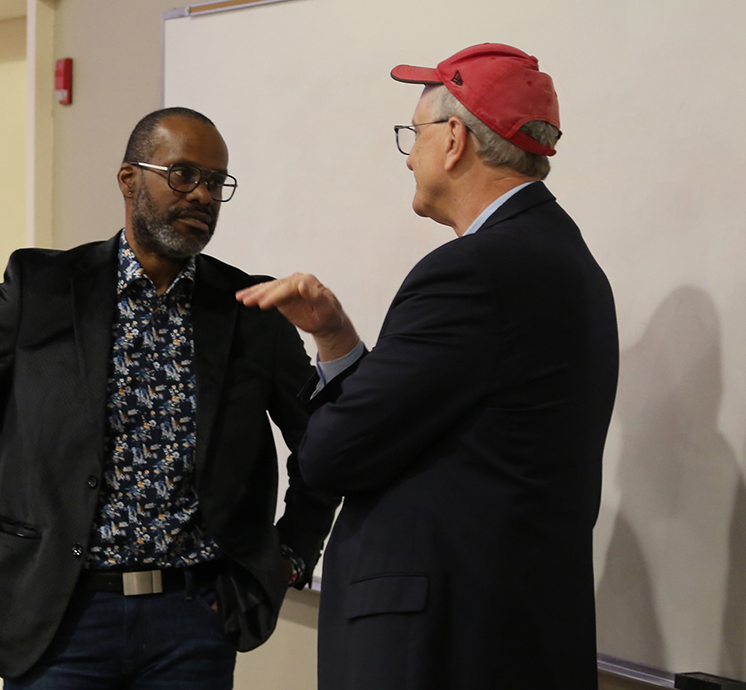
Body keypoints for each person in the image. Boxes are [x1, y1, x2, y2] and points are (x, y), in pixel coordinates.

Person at [0, 107, 337, 688]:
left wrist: (291, 557)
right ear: (130, 179)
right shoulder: (42, 289)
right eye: (183, 175)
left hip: (195, 620)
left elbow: (325, 445)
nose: (202, 195)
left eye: (215, 182)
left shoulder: (249, 308)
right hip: (58, 619)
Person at [237, 44, 619, 689]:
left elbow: (333, 454)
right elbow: (425, 423)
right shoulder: (564, 260)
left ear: (452, 142)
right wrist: (335, 336)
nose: (409, 156)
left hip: (441, 646)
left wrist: (331, 375)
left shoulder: (472, 273)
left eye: (411, 136)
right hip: (507, 633)